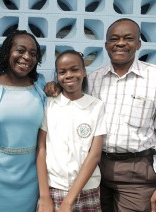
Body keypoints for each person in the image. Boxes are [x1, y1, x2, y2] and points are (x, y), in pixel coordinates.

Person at [45, 18, 156, 212]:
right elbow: (73, 100)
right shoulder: (93, 79)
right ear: (106, 45)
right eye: (114, 38)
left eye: (128, 38)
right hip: (96, 173)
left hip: (136, 175)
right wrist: (54, 87)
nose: (121, 43)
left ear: (139, 44)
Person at [0, 30, 46, 212]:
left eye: (33, 53)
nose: (26, 57)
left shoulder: (43, 86)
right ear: (7, 53)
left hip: (30, 173)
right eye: (20, 50)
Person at [37, 50, 106, 212]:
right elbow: (41, 149)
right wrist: (45, 196)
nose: (69, 75)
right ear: (57, 76)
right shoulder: (49, 104)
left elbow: (95, 154)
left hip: (87, 189)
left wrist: (68, 202)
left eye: (74, 69)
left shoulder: (96, 106)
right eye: (62, 72)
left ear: (84, 72)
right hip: (53, 189)